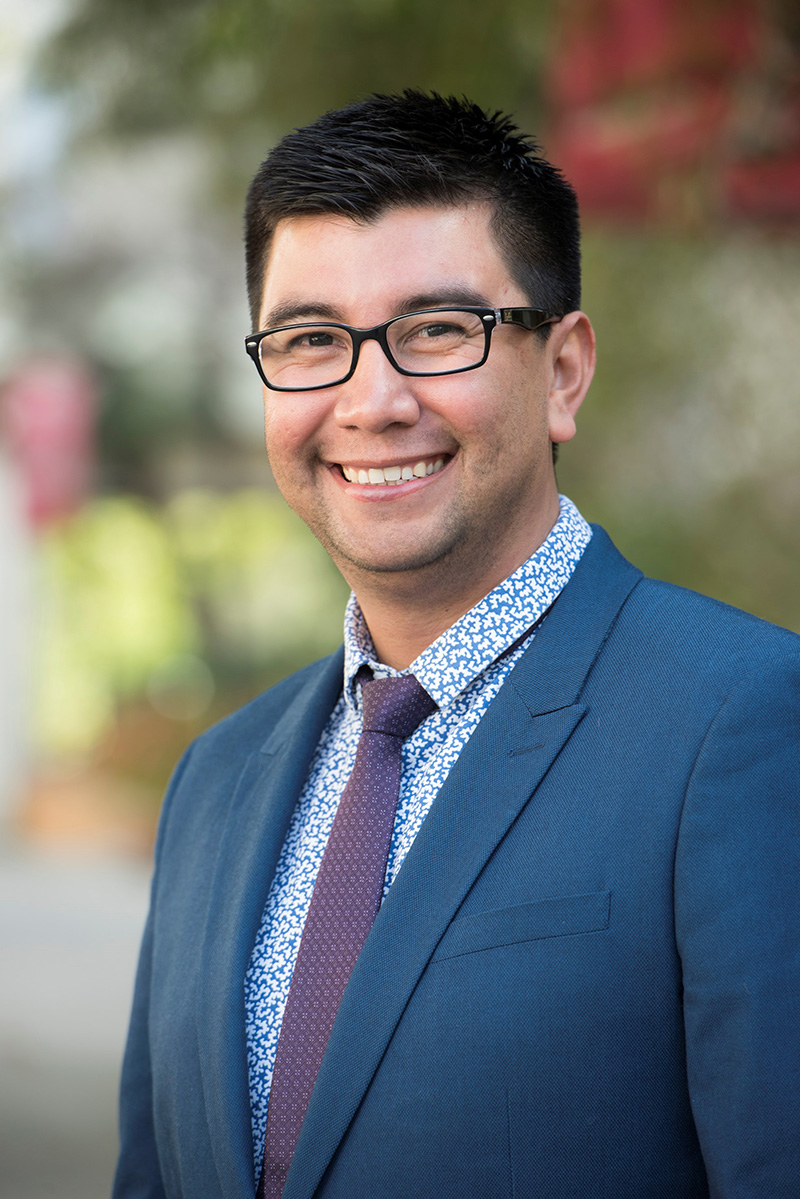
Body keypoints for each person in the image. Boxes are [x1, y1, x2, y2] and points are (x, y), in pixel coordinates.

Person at [114, 92, 800, 1199]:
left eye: (436, 329)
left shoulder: (745, 719)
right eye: (309, 341)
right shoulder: (215, 778)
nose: (370, 399)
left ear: (563, 369)